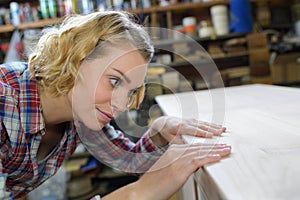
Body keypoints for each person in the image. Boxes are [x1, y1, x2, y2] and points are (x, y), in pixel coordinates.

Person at [0, 11, 231, 200]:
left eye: (130, 91)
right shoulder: (4, 100)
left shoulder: (80, 113)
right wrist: (137, 193)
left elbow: (129, 159)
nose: (121, 105)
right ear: (75, 58)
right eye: (114, 81)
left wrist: (159, 132)